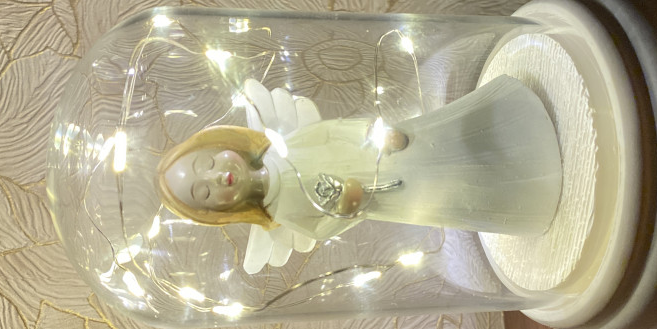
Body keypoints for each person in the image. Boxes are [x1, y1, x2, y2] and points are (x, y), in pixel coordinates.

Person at [157, 75, 562, 248]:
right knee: (453, 191)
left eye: (207, 163)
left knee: (450, 140)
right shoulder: (281, 210)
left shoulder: (286, 146)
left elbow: (332, 132)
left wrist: (372, 131)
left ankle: (513, 129)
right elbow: (318, 230)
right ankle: (522, 196)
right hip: (391, 196)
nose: (217, 176)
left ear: (222, 145)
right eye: (204, 192)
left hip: (390, 149)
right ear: (221, 212)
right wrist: (348, 207)